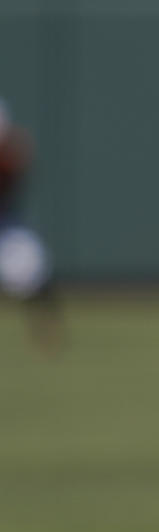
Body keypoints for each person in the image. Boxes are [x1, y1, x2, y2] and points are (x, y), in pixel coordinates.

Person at [0, 98, 61, 350]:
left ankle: (48, 335)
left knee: (31, 265)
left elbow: (17, 167)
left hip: (4, 227)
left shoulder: (8, 159)